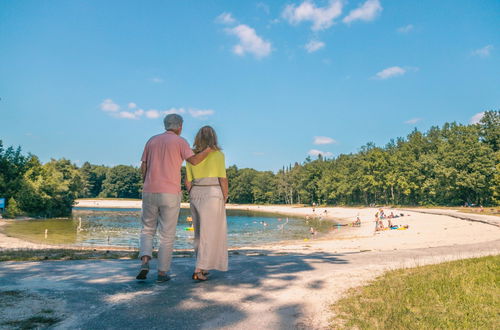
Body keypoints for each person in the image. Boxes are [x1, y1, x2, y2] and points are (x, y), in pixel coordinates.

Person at [136, 114, 212, 282]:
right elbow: (193, 161)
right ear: (180, 126)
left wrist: (146, 183)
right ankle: (162, 272)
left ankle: (145, 261)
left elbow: (144, 166)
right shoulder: (180, 142)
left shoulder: (152, 141)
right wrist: (208, 150)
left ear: (165, 125)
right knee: (167, 234)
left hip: (149, 190)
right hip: (170, 193)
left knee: (147, 229)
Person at [185, 126, 229, 281]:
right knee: (210, 233)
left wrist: (192, 193)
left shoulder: (191, 156)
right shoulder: (218, 155)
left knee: (199, 233)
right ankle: (198, 269)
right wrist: (225, 197)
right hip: (212, 192)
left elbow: (187, 180)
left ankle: (202, 266)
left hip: (196, 191)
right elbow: (222, 178)